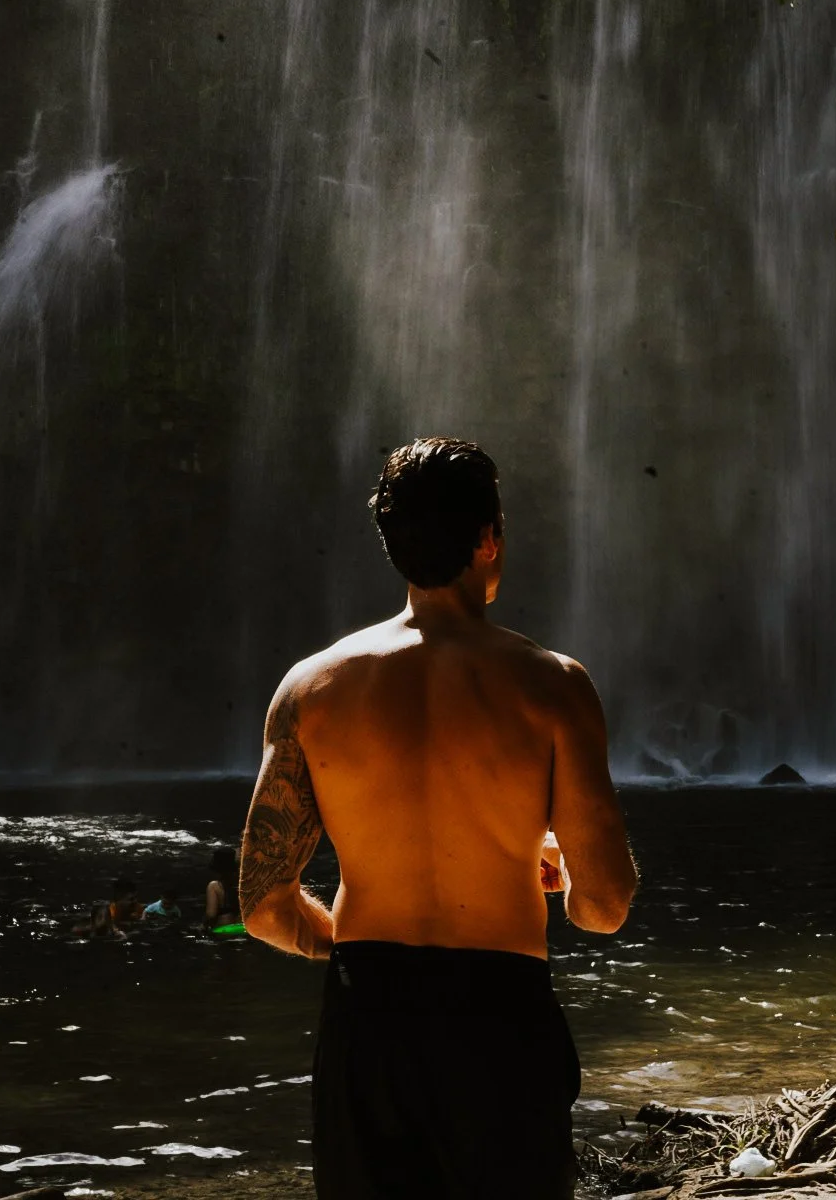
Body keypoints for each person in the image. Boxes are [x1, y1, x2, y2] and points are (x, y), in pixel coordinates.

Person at [240, 436, 637, 1200]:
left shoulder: (310, 689)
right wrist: (563, 876)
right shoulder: (552, 686)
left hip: (370, 1017)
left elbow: (260, 906)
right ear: (488, 539)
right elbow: (607, 905)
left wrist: (358, 950)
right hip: (498, 1014)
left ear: (391, 542)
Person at [205, 846, 242, 928]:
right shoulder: (243, 884)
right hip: (242, 926)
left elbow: (211, 914)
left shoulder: (214, 886)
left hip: (225, 927)